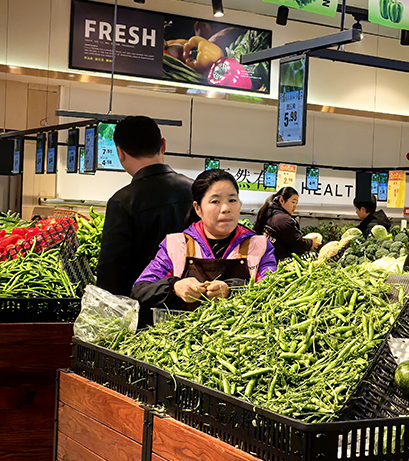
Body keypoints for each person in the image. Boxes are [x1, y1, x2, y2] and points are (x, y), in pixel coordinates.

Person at [131, 170, 276, 314]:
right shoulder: (177, 245)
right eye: (215, 201)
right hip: (186, 335)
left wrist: (233, 290)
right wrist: (174, 287)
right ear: (198, 209)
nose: (226, 209)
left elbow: (274, 291)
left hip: (245, 335)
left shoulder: (258, 246)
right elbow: (141, 290)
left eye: (232, 200)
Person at [96, 116, 193, 297]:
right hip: (193, 303)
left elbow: (112, 271)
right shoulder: (197, 192)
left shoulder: (122, 202)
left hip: (143, 306)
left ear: (120, 153)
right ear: (163, 145)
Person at [253, 186, 319, 261]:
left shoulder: (270, 212)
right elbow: (297, 244)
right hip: (275, 262)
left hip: (264, 258)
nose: (295, 206)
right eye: (293, 202)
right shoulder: (283, 220)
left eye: (296, 203)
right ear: (282, 201)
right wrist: (311, 243)